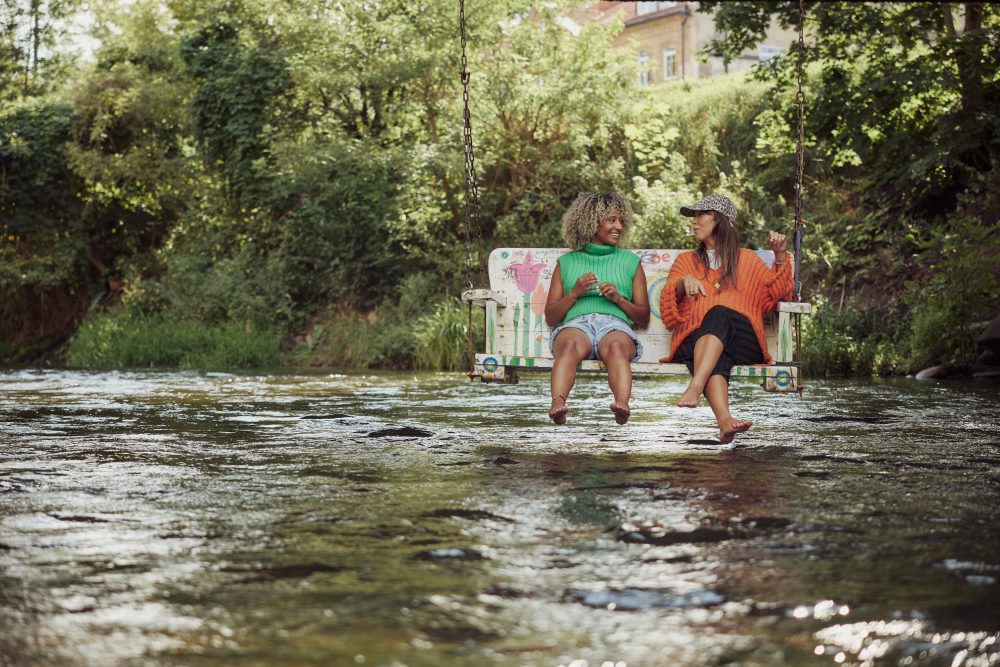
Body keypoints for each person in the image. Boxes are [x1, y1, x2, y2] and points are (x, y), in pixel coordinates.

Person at [659, 194, 792, 443]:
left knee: (719, 313)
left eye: (701, 215)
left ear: (720, 220)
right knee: (712, 343)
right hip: (694, 340)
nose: (694, 221)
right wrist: (681, 284)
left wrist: (781, 257)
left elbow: (778, 296)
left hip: (742, 341)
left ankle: (695, 387)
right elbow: (668, 305)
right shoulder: (685, 261)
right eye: (693, 216)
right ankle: (724, 421)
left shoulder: (748, 260)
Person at [544, 192, 650, 425]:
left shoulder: (630, 262)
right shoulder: (567, 263)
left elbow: (643, 318)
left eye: (621, 221)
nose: (619, 226)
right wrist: (574, 293)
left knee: (615, 347)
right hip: (576, 324)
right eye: (611, 220)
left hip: (615, 324)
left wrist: (619, 300)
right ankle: (558, 403)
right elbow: (551, 316)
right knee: (569, 346)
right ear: (592, 222)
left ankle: (621, 404)